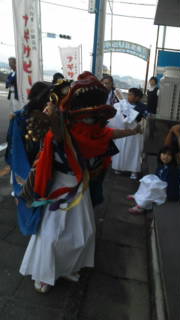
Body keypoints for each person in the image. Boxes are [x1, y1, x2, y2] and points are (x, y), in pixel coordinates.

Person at [18, 71, 142, 293]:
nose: (90, 120)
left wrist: (133, 131)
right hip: (60, 187)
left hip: (79, 188)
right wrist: (53, 119)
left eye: (93, 117)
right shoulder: (60, 130)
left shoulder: (96, 132)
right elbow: (55, 135)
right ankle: (43, 273)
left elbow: (108, 134)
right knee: (52, 235)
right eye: (87, 116)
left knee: (84, 233)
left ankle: (66, 267)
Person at [108, 87, 148, 179]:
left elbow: (132, 118)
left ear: (137, 97)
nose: (128, 96)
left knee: (133, 151)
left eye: (131, 94)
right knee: (120, 149)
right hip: (122, 131)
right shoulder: (121, 104)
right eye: (128, 94)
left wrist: (122, 101)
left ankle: (133, 171)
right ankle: (118, 168)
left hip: (134, 132)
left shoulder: (142, 107)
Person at [127, 146, 180, 214]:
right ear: (160, 154)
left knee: (152, 189)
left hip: (169, 193)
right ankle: (138, 196)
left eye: (169, 155)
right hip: (162, 188)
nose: (166, 156)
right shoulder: (161, 165)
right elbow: (157, 177)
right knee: (146, 180)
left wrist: (165, 195)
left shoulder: (173, 170)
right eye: (164, 154)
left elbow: (171, 186)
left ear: (173, 158)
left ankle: (141, 207)